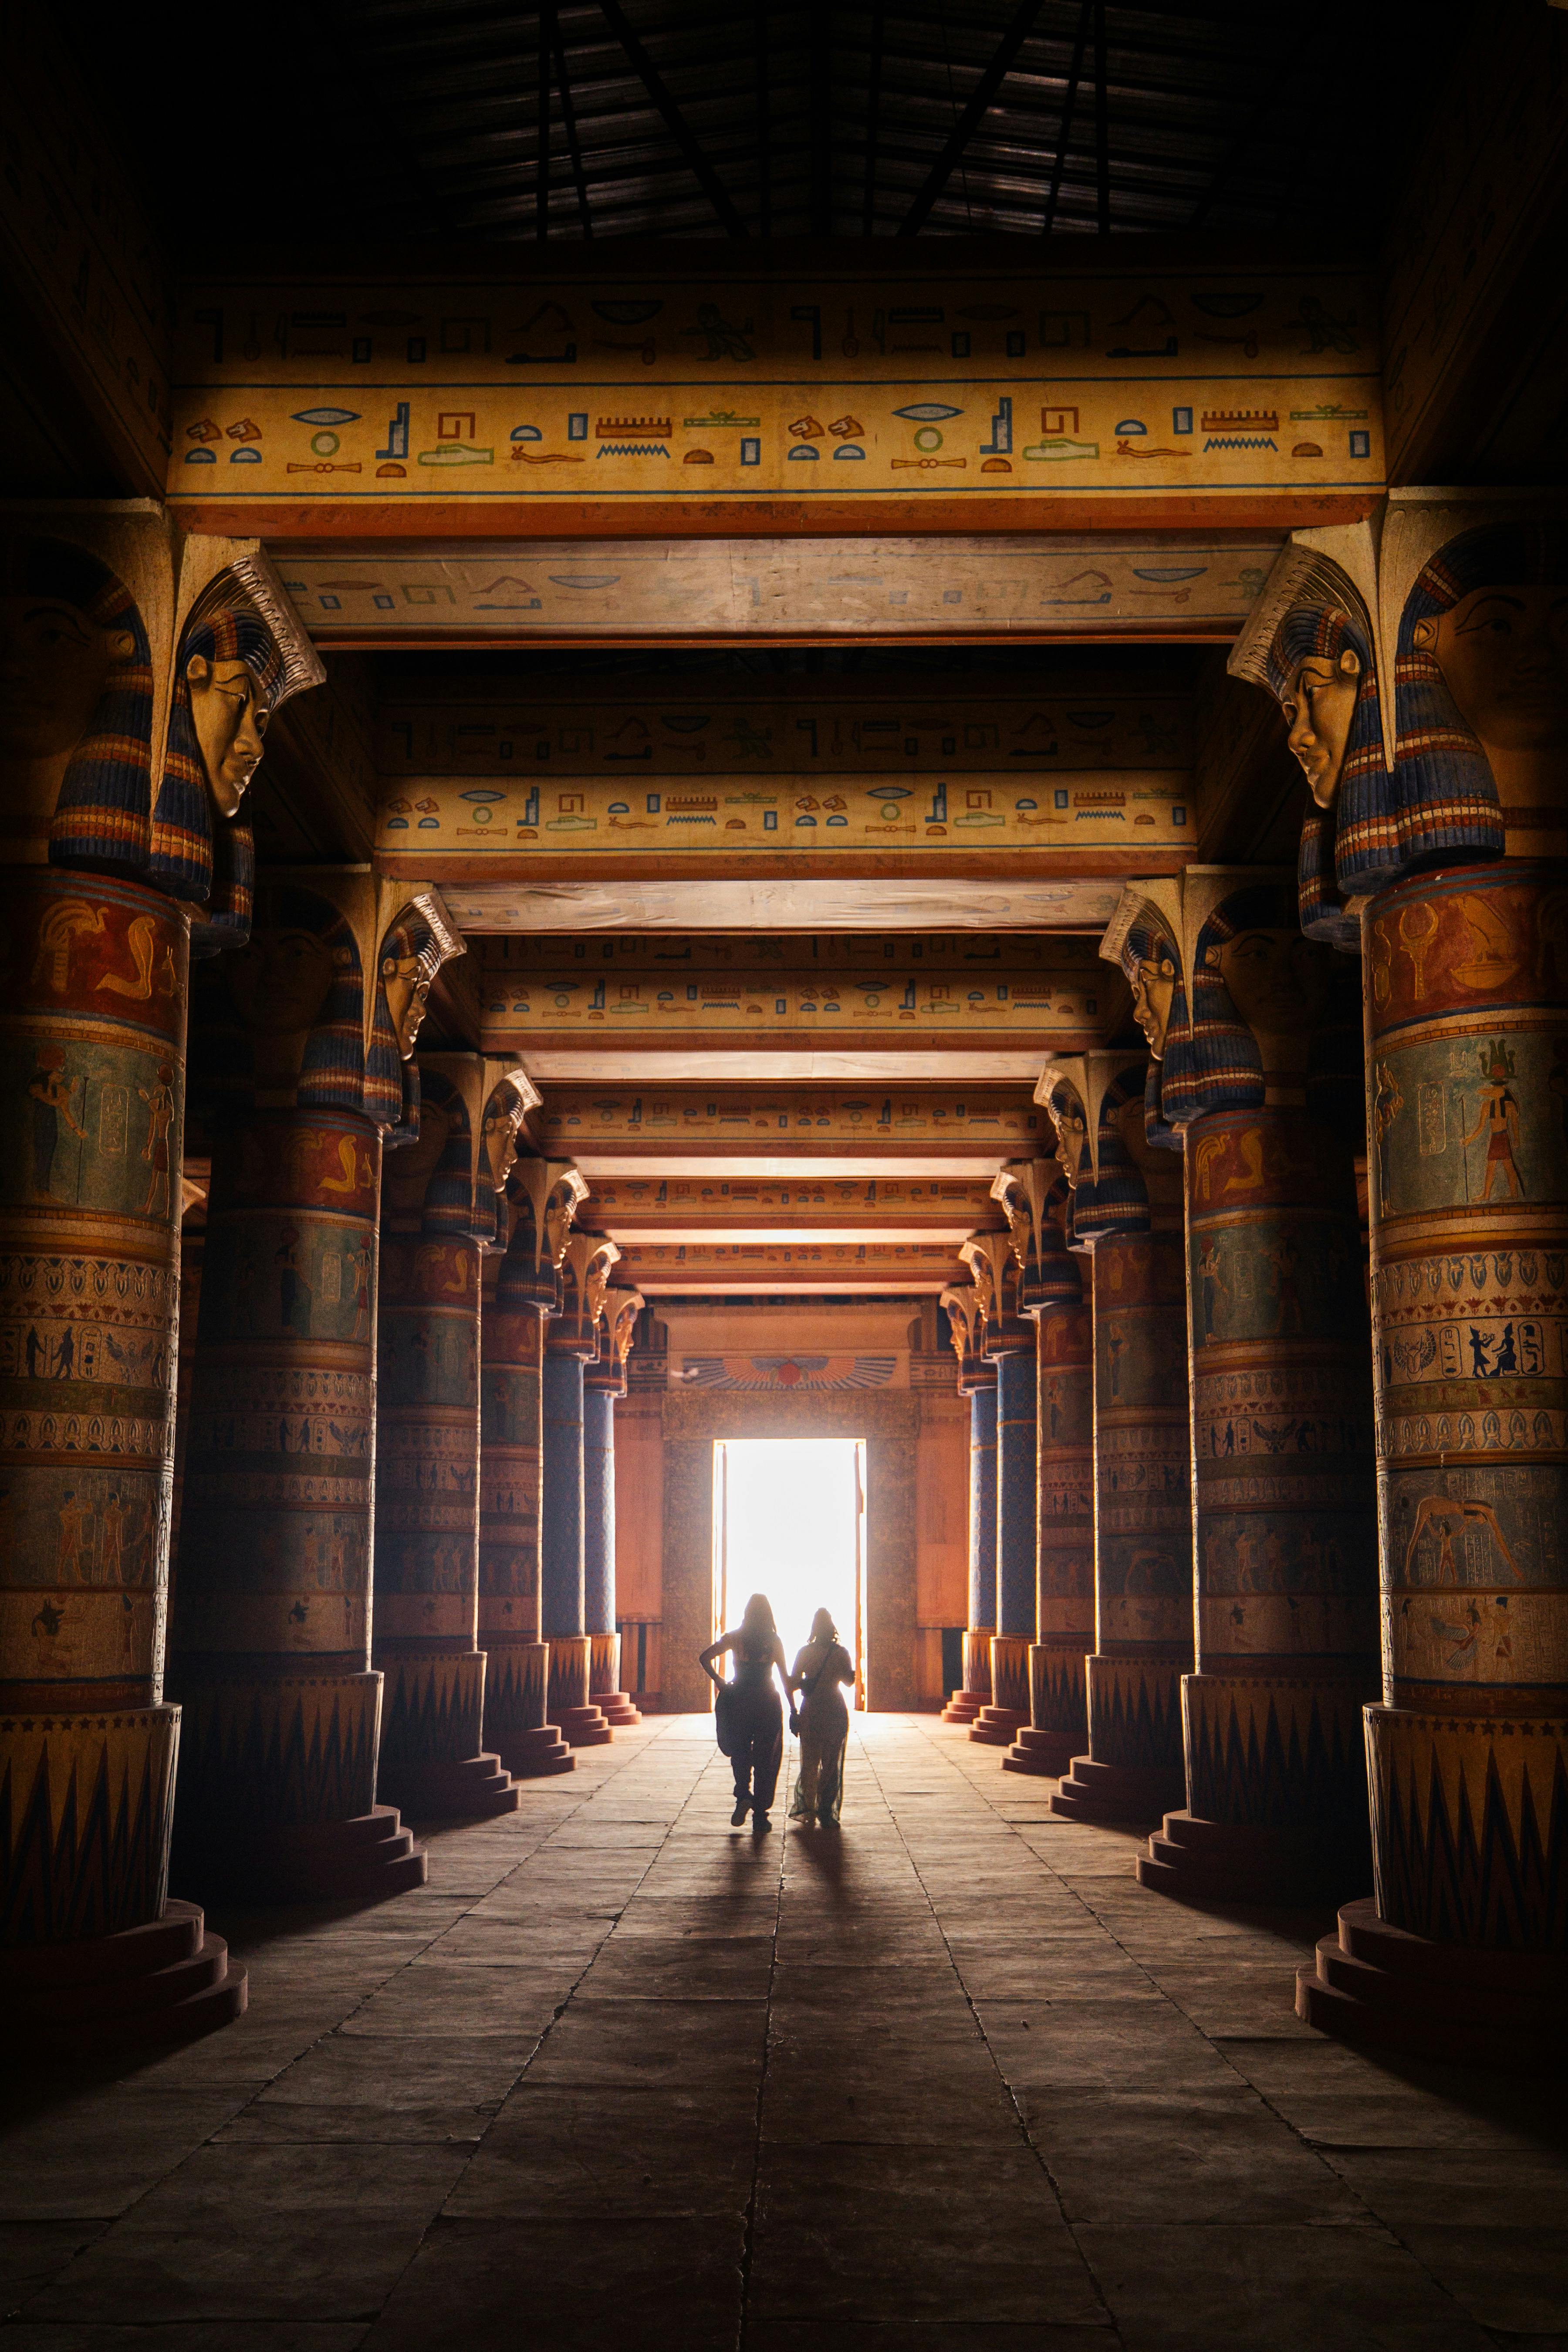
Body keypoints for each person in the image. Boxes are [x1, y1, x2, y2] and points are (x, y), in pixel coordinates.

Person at [700, 1592, 789, 1832]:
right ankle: (761, 1814)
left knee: (739, 1750)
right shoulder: (773, 1641)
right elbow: (784, 1677)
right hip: (767, 1701)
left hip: (738, 1698)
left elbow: (704, 1657)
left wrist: (718, 1679)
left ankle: (743, 1795)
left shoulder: (735, 1638)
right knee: (766, 1758)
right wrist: (795, 1709)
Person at [787, 1608, 855, 1828]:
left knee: (810, 1761)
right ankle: (826, 1809)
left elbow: (793, 1683)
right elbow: (848, 1682)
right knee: (831, 1763)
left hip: (812, 1710)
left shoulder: (804, 1653)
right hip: (835, 1709)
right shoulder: (841, 1653)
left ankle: (809, 1807)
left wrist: (794, 1710)